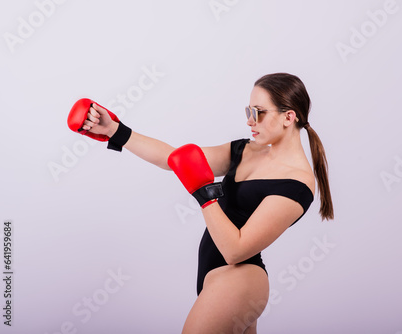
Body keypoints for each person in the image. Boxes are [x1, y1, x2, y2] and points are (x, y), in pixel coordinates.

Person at [68, 72, 334, 333]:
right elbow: (176, 159)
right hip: (217, 281)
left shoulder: (297, 183)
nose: (250, 121)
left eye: (259, 112)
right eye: (248, 111)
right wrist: (115, 130)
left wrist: (205, 195)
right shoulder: (247, 150)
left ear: (289, 117)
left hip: (238, 281)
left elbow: (236, 250)